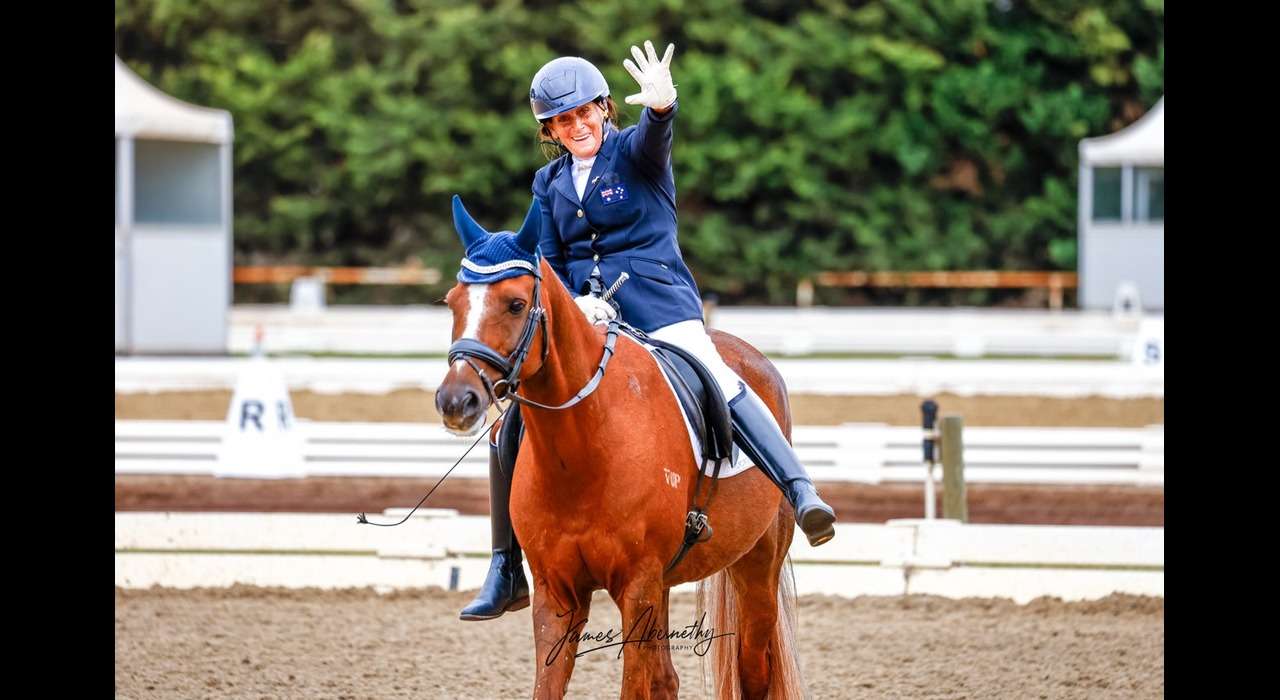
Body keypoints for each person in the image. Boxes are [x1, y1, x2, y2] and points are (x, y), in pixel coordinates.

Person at [459, 41, 837, 622]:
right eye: (562, 120)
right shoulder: (548, 182)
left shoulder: (635, 155)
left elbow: (654, 139)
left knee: (716, 374)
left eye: (584, 113)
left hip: (660, 308)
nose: (576, 125)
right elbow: (552, 260)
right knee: (514, 418)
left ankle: (800, 490)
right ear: (550, 130)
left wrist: (661, 109)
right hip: (589, 320)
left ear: (604, 110)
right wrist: (580, 306)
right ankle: (506, 566)